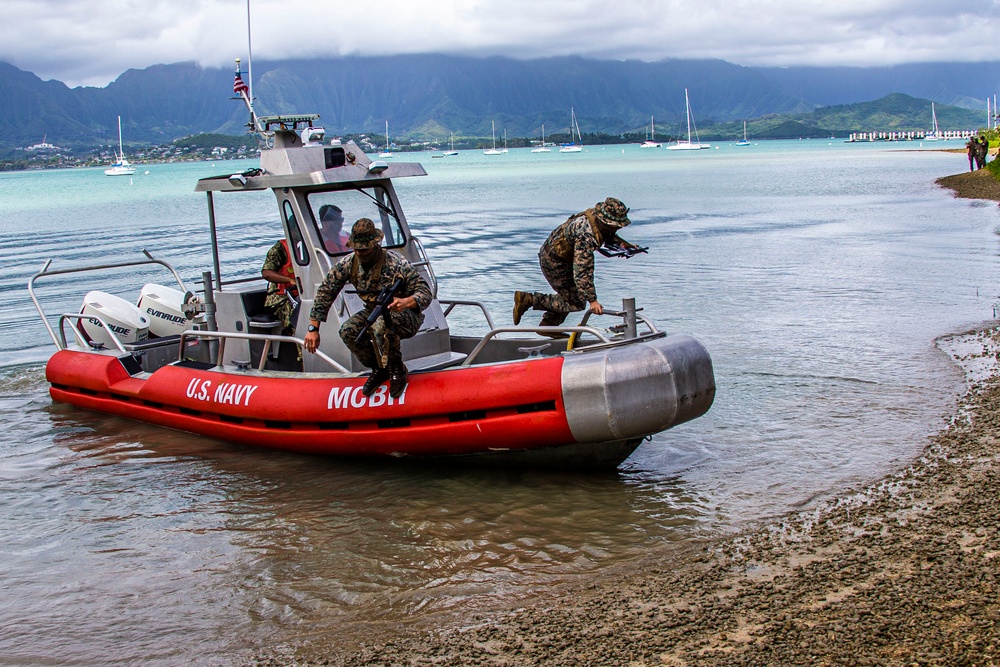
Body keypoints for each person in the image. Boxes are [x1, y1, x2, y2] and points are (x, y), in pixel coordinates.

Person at [303, 218, 432, 398]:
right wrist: (313, 328)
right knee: (348, 332)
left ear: (375, 244)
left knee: (381, 327)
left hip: (405, 314)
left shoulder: (396, 263)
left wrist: (406, 302)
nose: (359, 253)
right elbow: (326, 291)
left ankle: (397, 370)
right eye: (356, 248)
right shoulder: (349, 263)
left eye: (364, 249)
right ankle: (379, 368)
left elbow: (425, 291)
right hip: (374, 310)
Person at [512, 197, 637, 335]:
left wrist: (622, 245)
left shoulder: (596, 218)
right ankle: (529, 300)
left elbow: (606, 234)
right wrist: (593, 300)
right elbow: (583, 270)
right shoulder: (586, 234)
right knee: (576, 301)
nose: (618, 227)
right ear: (607, 222)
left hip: (558, 257)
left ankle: (548, 326)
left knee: (570, 296)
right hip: (554, 261)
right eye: (616, 225)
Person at [260, 237, 299, 335]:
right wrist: (289, 280)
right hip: (282, 297)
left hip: (306, 294)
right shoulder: (280, 248)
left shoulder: (312, 245)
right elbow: (267, 273)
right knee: (297, 320)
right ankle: (302, 348)